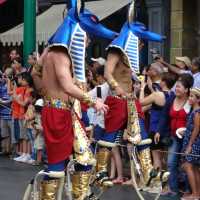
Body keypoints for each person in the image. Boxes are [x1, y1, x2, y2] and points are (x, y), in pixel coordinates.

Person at [31, 1, 117, 199]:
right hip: (58, 113)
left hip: (62, 111)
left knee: (84, 158)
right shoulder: (60, 55)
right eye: (85, 36)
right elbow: (67, 85)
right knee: (56, 167)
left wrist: (48, 91)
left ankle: (80, 195)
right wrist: (92, 101)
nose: (86, 41)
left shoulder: (48, 52)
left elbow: (36, 77)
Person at [96, 1, 169, 189]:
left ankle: (148, 171)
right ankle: (101, 170)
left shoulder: (129, 56)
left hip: (130, 101)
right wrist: (116, 87)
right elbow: (107, 72)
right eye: (140, 41)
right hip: (117, 100)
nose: (142, 45)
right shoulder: (115, 50)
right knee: (110, 137)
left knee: (142, 136)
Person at [181, 87, 200, 200]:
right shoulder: (193, 111)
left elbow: (196, 130)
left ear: (198, 100)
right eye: (190, 96)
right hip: (192, 141)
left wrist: (189, 145)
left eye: (192, 96)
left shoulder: (197, 112)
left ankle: (195, 193)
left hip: (194, 143)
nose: (189, 98)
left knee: (189, 166)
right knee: (195, 168)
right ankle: (197, 193)